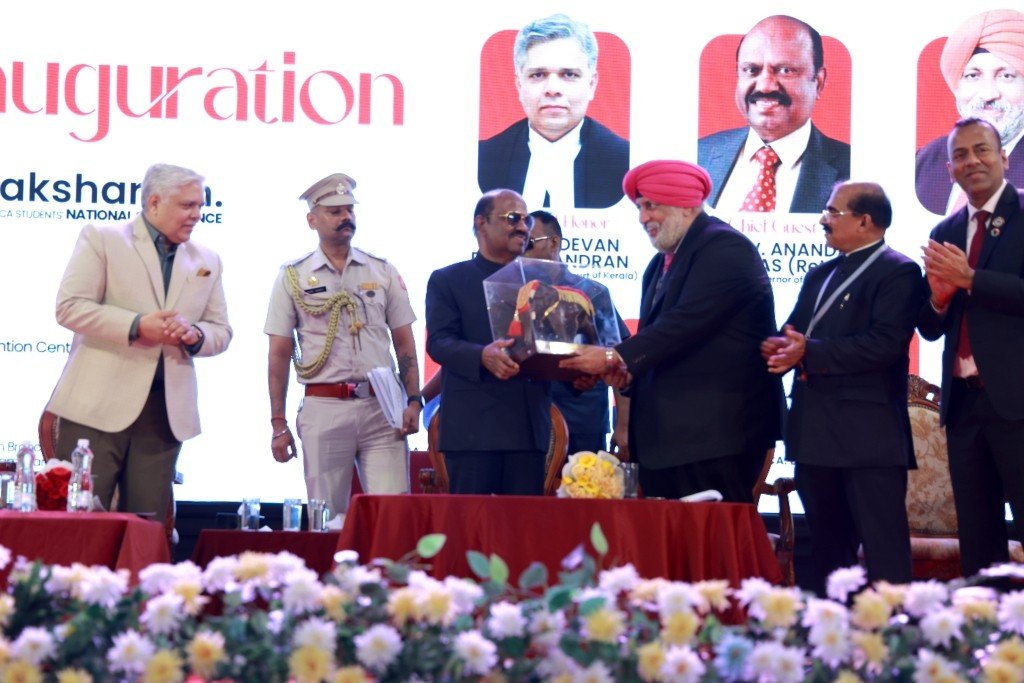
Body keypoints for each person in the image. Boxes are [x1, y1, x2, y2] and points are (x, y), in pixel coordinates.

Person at [561, 160, 784, 502]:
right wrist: (623, 372)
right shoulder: (660, 264)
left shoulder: (726, 248)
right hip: (667, 441)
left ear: (687, 204)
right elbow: (661, 345)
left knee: (710, 534)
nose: (642, 218)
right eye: (639, 207)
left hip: (715, 438)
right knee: (670, 535)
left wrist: (613, 355)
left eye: (651, 206)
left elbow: (684, 325)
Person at [46, 163, 231, 523]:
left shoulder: (207, 259)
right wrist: (136, 325)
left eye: (200, 205)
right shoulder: (103, 238)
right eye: (188, 205)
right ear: (154, 202)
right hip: (95, 408)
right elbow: (69, 307)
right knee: (80, 525)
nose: (197, 214)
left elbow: (221, 330)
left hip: (164, 415)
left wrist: (195, 336)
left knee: (147, 529)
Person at [762, 181, 923, 594]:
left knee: (884, 552)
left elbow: (884, 346)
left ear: (865, 221)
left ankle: (890, 630)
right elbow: (795, 331)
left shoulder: (899, 272)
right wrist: (778, 347)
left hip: (869, 438)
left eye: (833, 212)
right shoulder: (820, 273)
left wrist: (808, 351)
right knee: (827, 552)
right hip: (814, 432)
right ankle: (831, 628)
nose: (823, 220)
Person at [265, 173, 421, 519]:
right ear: (312, 220)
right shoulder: (293, 275)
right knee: (326, 517)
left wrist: (413, 400)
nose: (345, 217)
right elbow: (279, 353)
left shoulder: (381, 270)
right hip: (325, 405)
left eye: (349, 209)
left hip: (382, 406)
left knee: (392, 514)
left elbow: (404, 340)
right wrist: (278, 423)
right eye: (335, 211)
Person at [918, 118, 1024, 576]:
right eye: (960, 155)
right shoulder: (945, 230)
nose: (972, 161)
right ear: (950, 169)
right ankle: (984, 620)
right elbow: (930, 328)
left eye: (981, 150)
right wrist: (939, 301)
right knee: (979, 544)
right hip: (964, 405)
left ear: (1004, 158)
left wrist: (971, 279)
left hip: (1017, 403)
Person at [425, 189, 552, 494]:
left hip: (528, 428)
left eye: (526, 220)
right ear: (481, 223)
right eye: (513, 218)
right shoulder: (448, 280)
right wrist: (481, 355)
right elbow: (439, 342)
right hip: (473, 429)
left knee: (525, 522)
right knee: (472, 522)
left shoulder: (542, 283)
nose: (522, 227)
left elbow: (553, 345)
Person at [698, 15, 850, 214]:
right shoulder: (700, 154)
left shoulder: (853, 168)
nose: (765, 86)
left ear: (819, 82)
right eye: (751, 70)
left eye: (785, 70)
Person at [478, 14, 629, 210]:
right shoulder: (484, 158)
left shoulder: (625, 161)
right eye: (538, 75)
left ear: (591, 84)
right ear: (519, 85)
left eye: (569, 74)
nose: (552, 89)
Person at [525, 210, 631, 456]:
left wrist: (623, 426)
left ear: (555, 242)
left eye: (529, 243)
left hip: (582, 421)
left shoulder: (592, 293)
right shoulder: (513, 296)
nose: (521, 252)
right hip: (526, 421)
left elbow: (620, 360)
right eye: (519, 244)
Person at [916, 10, 1024, 215]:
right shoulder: (928, 160)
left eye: (1006, 76)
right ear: (958, 85)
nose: (988, 94)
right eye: (973, 76)